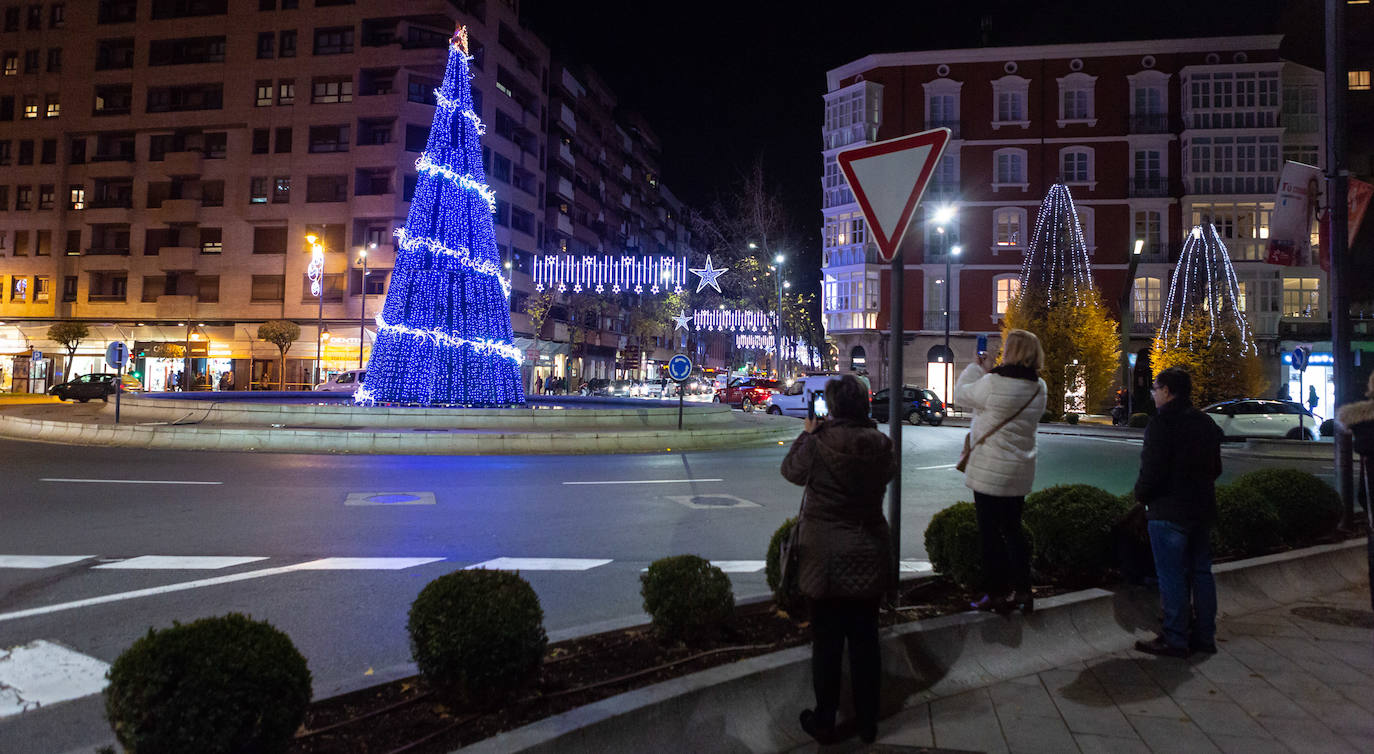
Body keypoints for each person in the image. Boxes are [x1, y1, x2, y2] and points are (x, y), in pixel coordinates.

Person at [781, 374, 894, 745]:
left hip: (823, 557)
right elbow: (888, 474)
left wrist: (809, 433)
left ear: (831, 406)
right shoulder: (882, 444)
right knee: (865, 641)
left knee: (827, 644)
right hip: (869, 549)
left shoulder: (819, 443)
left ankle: (825, 720)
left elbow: (791, 472)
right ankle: (867, 721)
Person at [954, 328, 1048, 615]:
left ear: (1012, 351)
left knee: (990, 536)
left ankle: (996, 594)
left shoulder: (993, 382)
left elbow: (961, 395)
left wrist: (975, 367)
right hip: (1020, 469)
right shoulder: (1039, 388)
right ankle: (1023, 590)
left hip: (990, 470)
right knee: (1014, 530)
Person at [1133, 367, 1223, 657]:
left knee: (1170, 575)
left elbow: (1152, 471)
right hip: (1202, 508)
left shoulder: (1161, 424)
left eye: (1156, 389)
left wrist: (1141, 496)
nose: (1154, 394)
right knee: (1201, 572)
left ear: (1168, 391)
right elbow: (1216, 468)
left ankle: (1175, 637)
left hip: (1169, 511)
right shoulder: (1205, 422)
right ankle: (1205, 636)